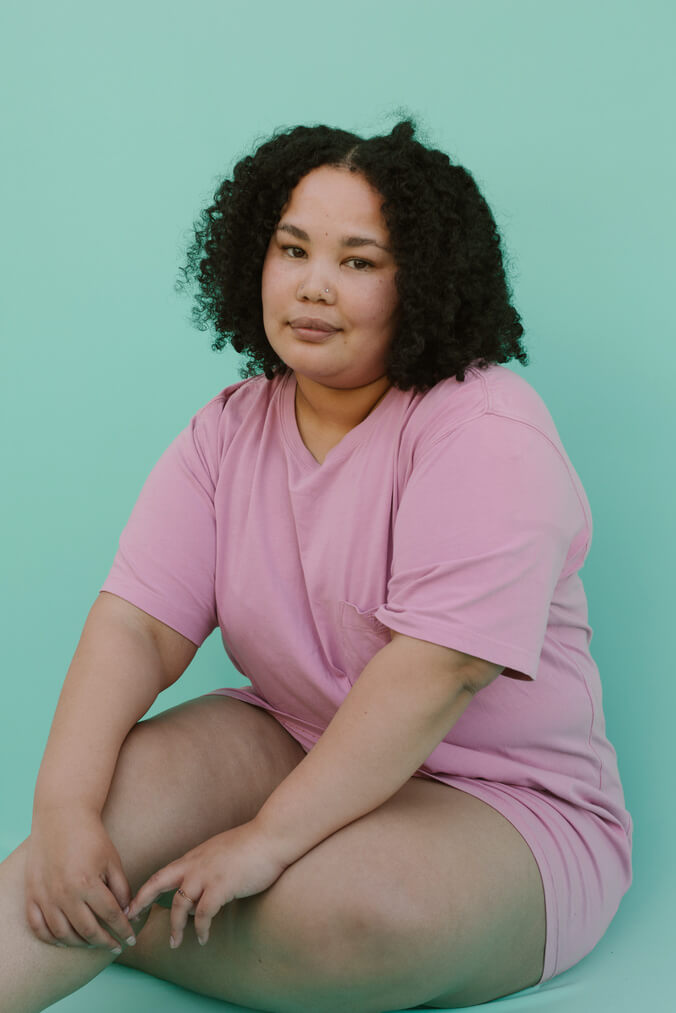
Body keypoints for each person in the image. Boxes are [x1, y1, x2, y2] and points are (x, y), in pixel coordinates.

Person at [2, 119, 632, 1013]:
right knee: (108, 801)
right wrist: (61, 812)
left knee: (354, 913)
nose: (312, 285)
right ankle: (81, 904)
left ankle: (107, 917)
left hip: (504, 801)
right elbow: (136, 627)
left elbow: (438, 672)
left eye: (359, 261)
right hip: (293, 733)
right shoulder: (227, 428)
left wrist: (265, 839)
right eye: (292, 249)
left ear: (424, 284)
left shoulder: (487, 427)